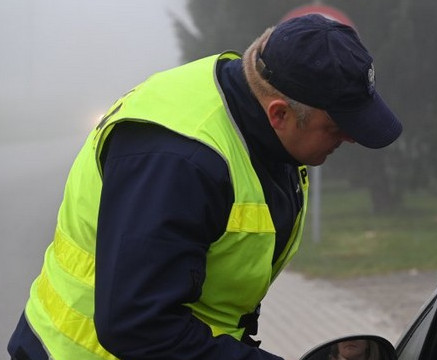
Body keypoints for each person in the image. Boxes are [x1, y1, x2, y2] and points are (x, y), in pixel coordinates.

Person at [7, 14, 402, 360]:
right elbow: (139, 325)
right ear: (279, 114)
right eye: (336, 127)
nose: (350, 138)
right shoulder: (178, 162)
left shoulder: (259, 118)